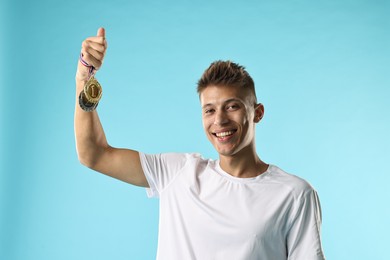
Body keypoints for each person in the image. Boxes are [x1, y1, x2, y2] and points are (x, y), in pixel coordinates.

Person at [74, 28, 326, 260]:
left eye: (232, 106)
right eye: (209, 110)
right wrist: (84, 77)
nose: (220, 120)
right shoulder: (176, 172)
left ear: (257, 112)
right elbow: (93, 154)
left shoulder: (294, 194)